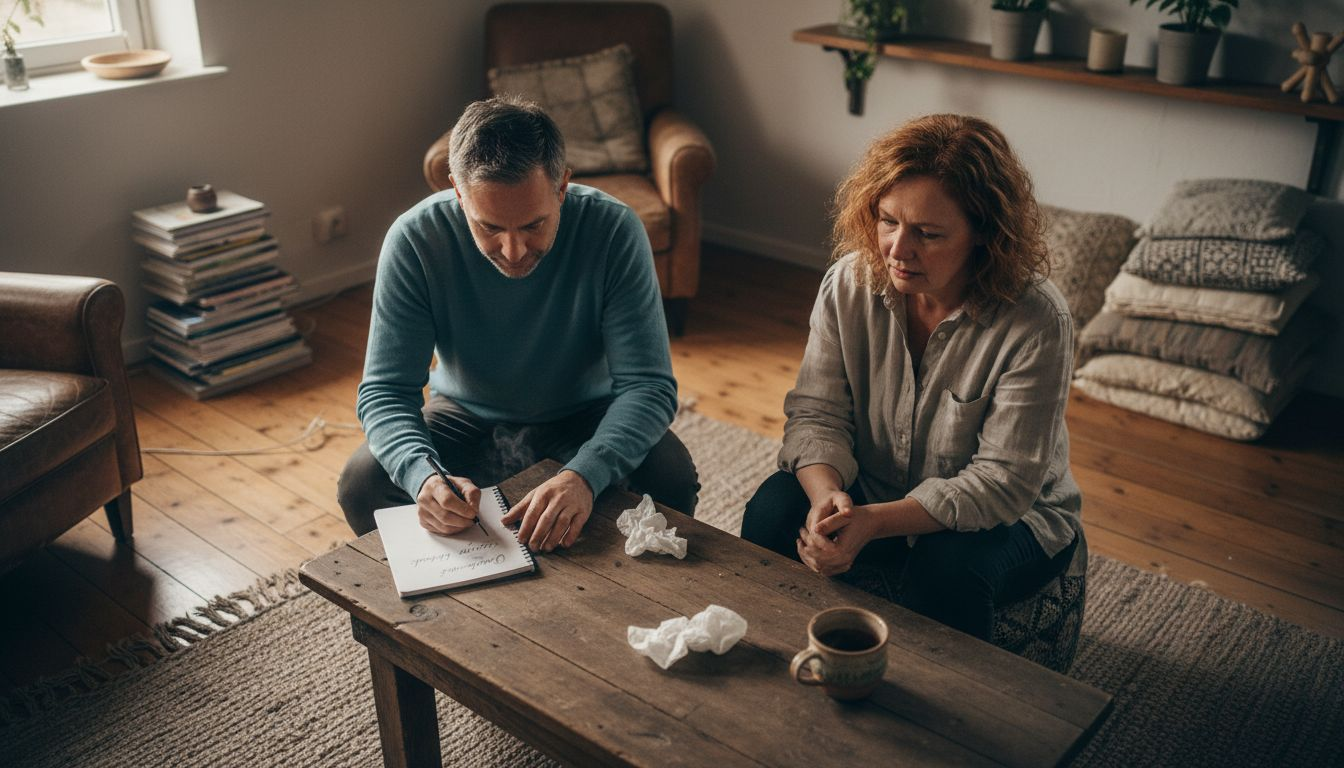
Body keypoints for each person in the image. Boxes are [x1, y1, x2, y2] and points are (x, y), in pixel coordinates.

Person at [740, 114, 1083, 641]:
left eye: (927, 233)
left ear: (985, 235)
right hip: (872, 489)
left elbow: (1004, 482)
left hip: (1015, 519)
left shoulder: (1037, 320)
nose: (898, 250)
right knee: (770, 513)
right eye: (888, 221)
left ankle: (938, 714)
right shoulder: (849, 284)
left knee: (946, 571)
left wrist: (874, 523)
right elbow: (816, 413)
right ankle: (773, 655)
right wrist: (826, 496)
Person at [338, 96, 698, 551]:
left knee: (670, 473)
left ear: (563, 185)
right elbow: (386, 391)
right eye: (488, 227)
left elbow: (649, 387)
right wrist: (423, 477)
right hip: (466, 415)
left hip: (586, 412)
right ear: (457, 192)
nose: (513, 251)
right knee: (362, 481)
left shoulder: (614, 230)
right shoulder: (414, 240)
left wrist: (584, 475)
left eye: (533, 225)